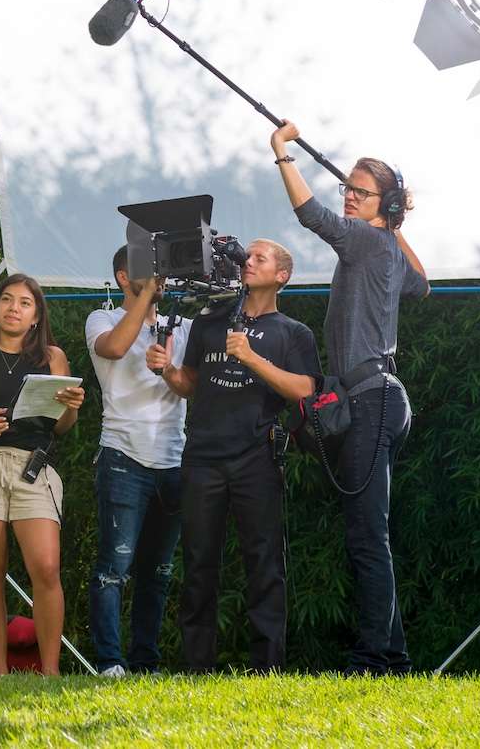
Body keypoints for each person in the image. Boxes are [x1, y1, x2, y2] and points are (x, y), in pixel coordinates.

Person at [269, 120, 430, 676]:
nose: (348, 199)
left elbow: (311, 216)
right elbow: (421, 280)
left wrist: (282, 154)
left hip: (370, 401)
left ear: (380, 202)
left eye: (359, 193)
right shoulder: (382, 246)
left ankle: (371, 659)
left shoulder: (364, 240)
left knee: (366, 536)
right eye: (348, 190)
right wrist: (393, 218)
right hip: (380, 399)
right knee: (370, 533)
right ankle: (395, 657)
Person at [161, 239, 321, 672]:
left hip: (258, 457)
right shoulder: (208, 321)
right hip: (202, 457)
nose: (247, 262)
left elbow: (305, 391)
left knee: (264, 561)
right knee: (198, 561)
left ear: (281, 275)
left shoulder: (293, 332)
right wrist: (166, 371)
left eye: (260, 258)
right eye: (247, 256)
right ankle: (196, 668)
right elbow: (190, 384)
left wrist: (251, 358)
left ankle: (266, 667)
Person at [0, 273, 86, 676]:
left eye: (25, 303)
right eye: (7, 300)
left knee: (45, 567)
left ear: (36, 315)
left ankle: (50, 670)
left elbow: (61, 427)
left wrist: (72, 406)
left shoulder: (52, 357)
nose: (14, 308)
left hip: (34, 465)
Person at [84, 247, 191, 676]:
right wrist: (144, 299)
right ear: (124, 277)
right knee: (115, 567)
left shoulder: (181, 327)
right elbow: (113, 349)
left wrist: (168, 370)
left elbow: (194, 388)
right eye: (150, 274)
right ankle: (110, 661)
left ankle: (146, 662)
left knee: (159, 571)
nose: (160, 280)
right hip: (122, 455)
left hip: (174, 458)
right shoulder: (103, 317)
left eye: (162, 274)